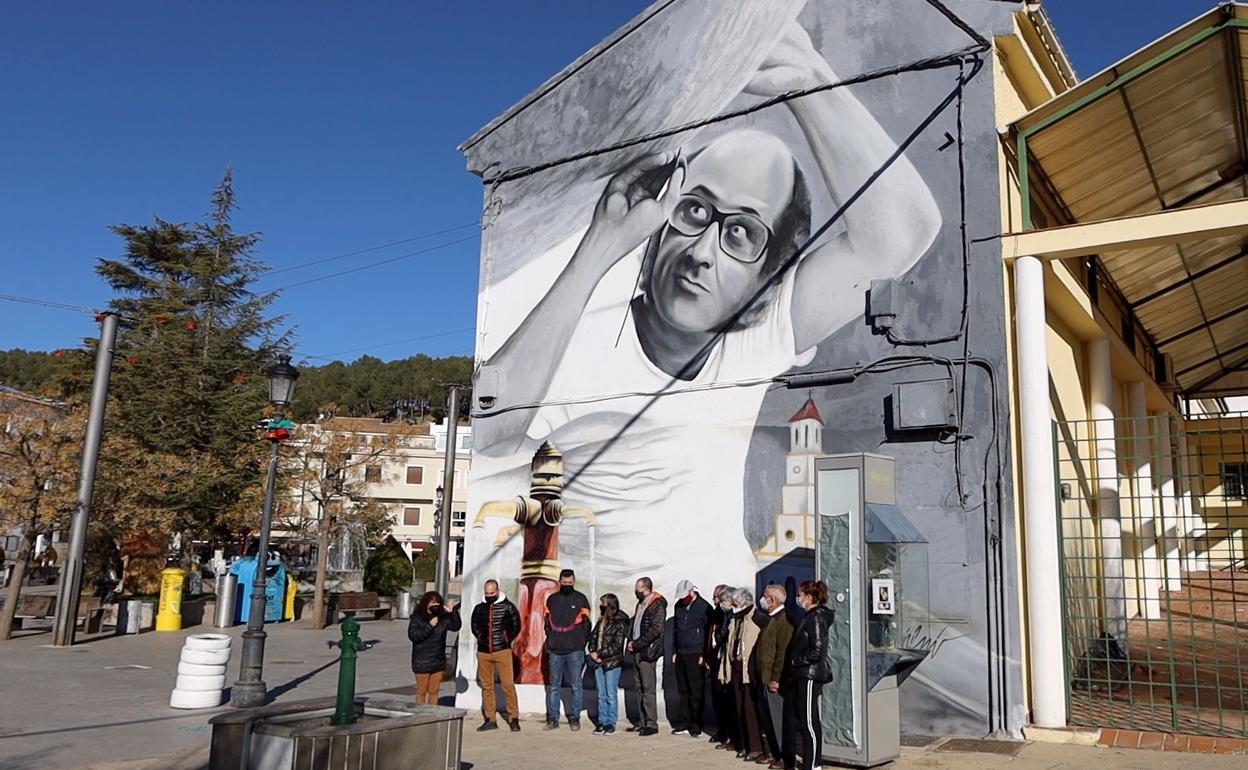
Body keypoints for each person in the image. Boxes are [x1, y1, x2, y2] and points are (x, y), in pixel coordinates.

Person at [472, 19, 941, 596]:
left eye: (741, 233)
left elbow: (903, 233)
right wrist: (599, 246)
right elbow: (491, 433)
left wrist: (813, 85)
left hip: (717, 632)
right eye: (695, 211)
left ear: (767, 284)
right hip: (589, 630)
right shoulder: (576, 330)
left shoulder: (756, 334)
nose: (702, 252)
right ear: (661, 221)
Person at [782, 580, 835, 770]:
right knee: (807, 720)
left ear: (810, 597)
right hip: (803, 674)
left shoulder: (816, 618)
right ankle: (812, 762)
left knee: (809, 723)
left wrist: (796, 661)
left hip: (809, 675)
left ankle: (812, 764)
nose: (799, 598)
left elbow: (817, 651)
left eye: (801, 595)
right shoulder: (809, 617)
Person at [471, 579, 522, 732]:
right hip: (483, 651)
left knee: (508, 685)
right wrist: (480, 637)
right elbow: (474, 626)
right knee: (487, 687)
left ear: (498, 590)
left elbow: (516, 626)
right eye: (487, 593)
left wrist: (506, 639)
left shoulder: (508, 607)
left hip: (502, 651)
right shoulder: (479, 608)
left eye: (492, 593)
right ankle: (490, 719)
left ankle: (513, 717)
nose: (489, 596)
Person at [720, 588, 764, 761]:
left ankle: (755, 746)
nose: (733, 607)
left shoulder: (756, 618)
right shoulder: (735, 620)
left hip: (749, 669)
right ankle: (744, 744)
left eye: (736, 604)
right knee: (739, 708)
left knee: (750, 708)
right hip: (737, 667)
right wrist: (725, 670)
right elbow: (730, 646)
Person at [544, 568, 591, 730]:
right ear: (559, 582)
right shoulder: (552, 599)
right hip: (555, 650)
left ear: (574, 581)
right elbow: (546, 623)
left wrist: (580, 642)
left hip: (575, 650)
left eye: (570, 583)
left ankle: (575, 717)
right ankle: (552, 718)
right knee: (554, 686)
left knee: (576, 685)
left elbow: (587, 624)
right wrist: (551, 639)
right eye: (564, 583)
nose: (567, 585)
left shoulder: (581, 599)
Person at [755, 584, 795, 769]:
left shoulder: (784, 620)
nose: (762, 600)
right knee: (768, 720)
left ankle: (784, 756)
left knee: (778, 720)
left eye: (765, 596)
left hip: (774, 680)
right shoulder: (771, 619)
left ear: (772, 599)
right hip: (763, 677)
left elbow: (782, 653)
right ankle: (773, 752)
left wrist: (776, 678)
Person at [627, 576, 667, 736]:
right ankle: (642, 721)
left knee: (648, 687)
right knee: (639, 687)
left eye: (639, 589)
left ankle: (651, 723)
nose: (636, 592)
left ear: (647, 589)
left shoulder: (656, 605)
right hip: (636, 650)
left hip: (647, 651)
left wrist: (637, 643)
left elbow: (656, 629)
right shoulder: (641, 604)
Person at [670, 578, 710, 737]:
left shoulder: (704, 607)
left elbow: (708, 633)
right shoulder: (678, 606)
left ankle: (696, 724)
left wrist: (704, 654)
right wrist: (674, 650)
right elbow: (675, 630)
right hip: (681, 653)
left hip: (696, 654)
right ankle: (684, 722)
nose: (682, 599)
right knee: (683, 690)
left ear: (692, 591)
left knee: (696, 691)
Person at [587, 592, 630, 736]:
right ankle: (602, 721)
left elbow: (616, 645)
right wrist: (592, 651)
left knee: (611, 694)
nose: (601, 607)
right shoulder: (601, 621)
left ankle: (611, 722)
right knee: (601, 694)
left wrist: (600, 654)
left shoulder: (620, 622)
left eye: (604, 604)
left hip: (612, 662)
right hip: (598, 662)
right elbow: (592, 637)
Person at [408, 591, 461, 705]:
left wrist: (453, 612)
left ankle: (433, 714)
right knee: (422, 690)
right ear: (425, 604)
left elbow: (455, 626)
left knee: (434, 691)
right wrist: (430, 626)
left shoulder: (443, 618)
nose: (435, 606)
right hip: (422, 661)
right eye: (432, 603)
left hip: (438, 660)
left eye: (437, 603)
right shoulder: (417, 618)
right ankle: (420, 715)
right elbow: (414, 636)